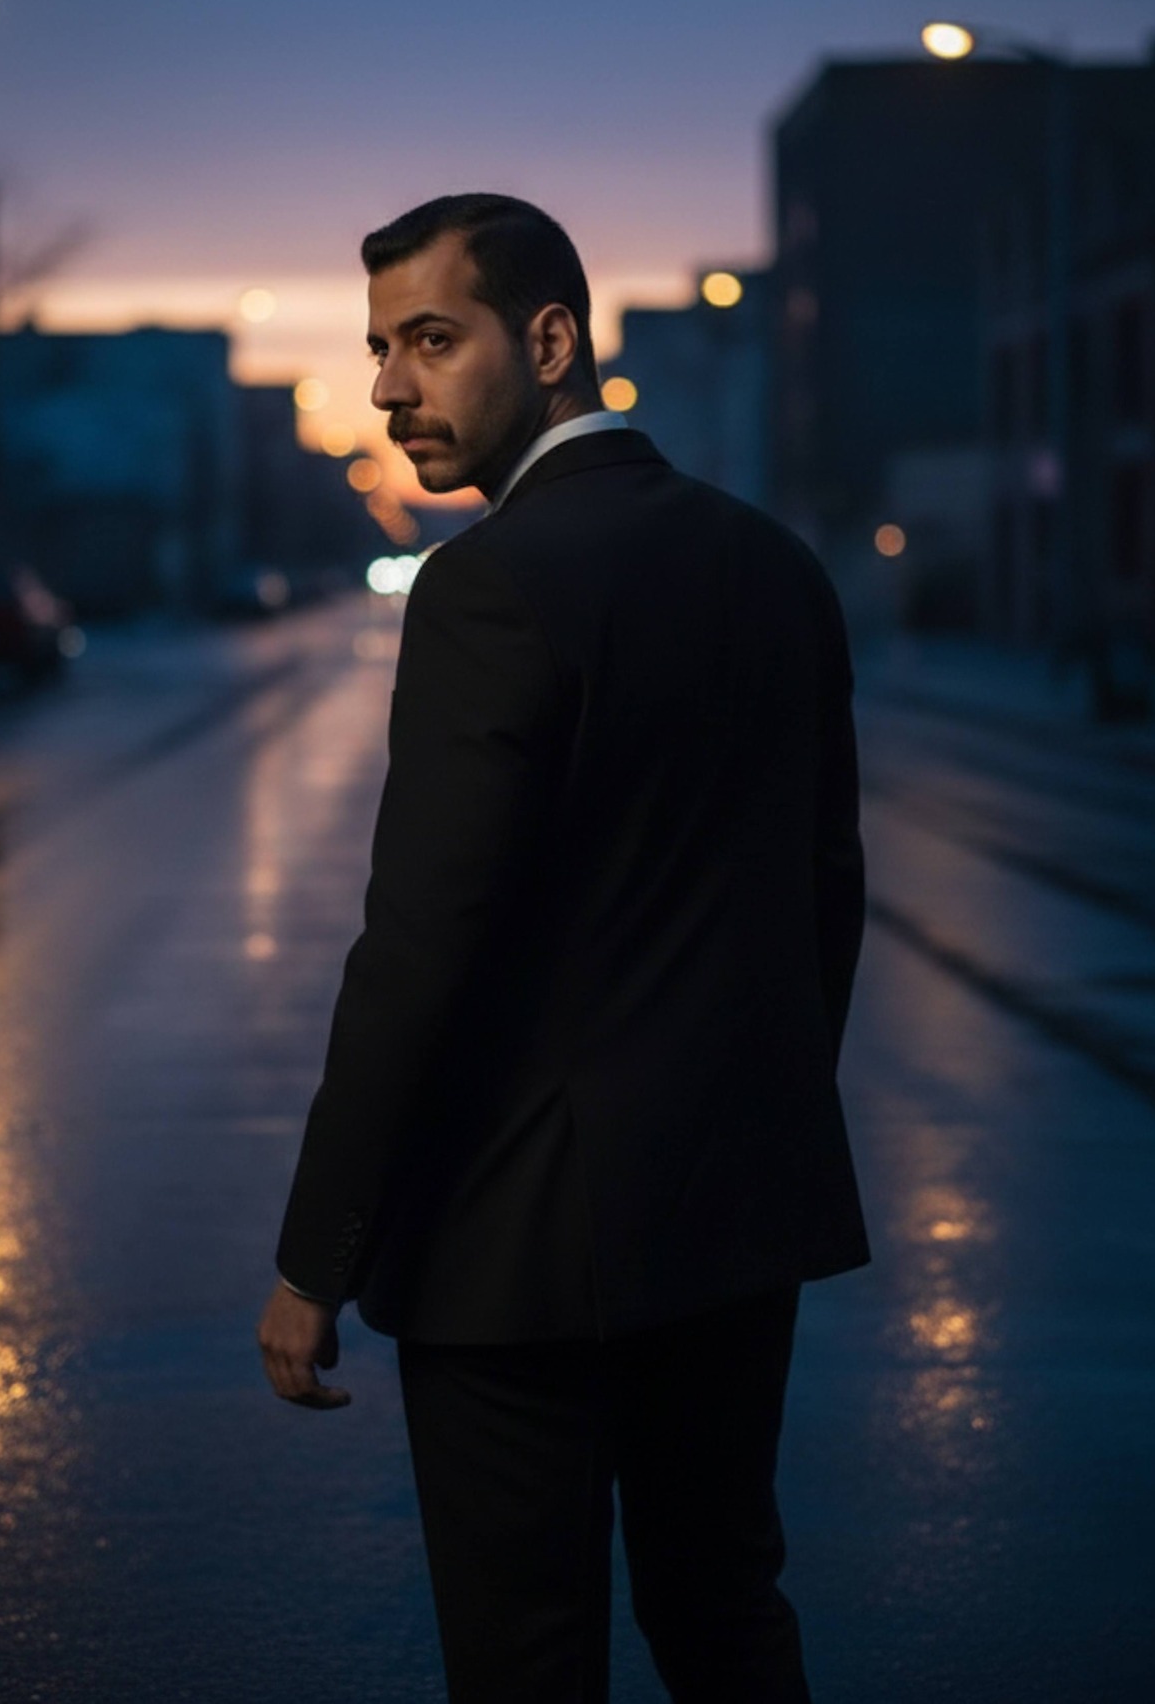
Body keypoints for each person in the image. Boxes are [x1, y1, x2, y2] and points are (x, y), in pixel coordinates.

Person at [258, 193, 868, 1703]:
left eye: (431, 340)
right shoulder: (775, 565)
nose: (390, 388)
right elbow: (825, 898)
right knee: (726, 1615)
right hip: (737, 1223)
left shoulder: (488, 585)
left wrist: (316, 1255)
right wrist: (756, 1122)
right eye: (380, 350)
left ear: (548, 343)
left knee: (526, 1661)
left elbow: (420, 947)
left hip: (514, 1253)